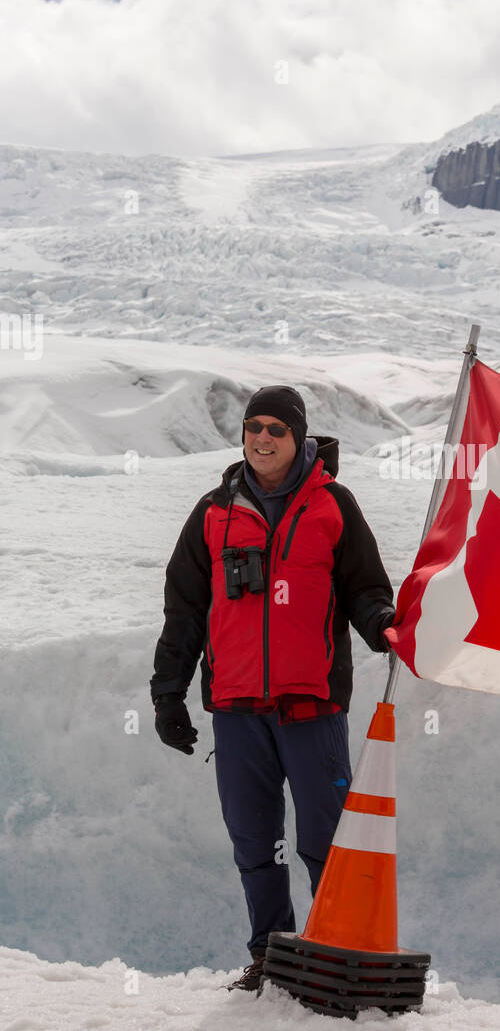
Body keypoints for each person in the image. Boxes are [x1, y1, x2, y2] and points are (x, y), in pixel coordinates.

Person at [150, 385, 395, 991]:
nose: (262, 438)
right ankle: (271, 955)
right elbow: (184, 612)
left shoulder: (333, 505)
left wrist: (382, 626)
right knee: (255, 842)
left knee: (324, 841)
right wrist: (168, 694)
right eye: (253, 426)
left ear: (298, 437)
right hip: (236, 709)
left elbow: (365, 588)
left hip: (312, 707)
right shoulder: (213, 511)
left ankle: (334, 953)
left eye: (276, 430)